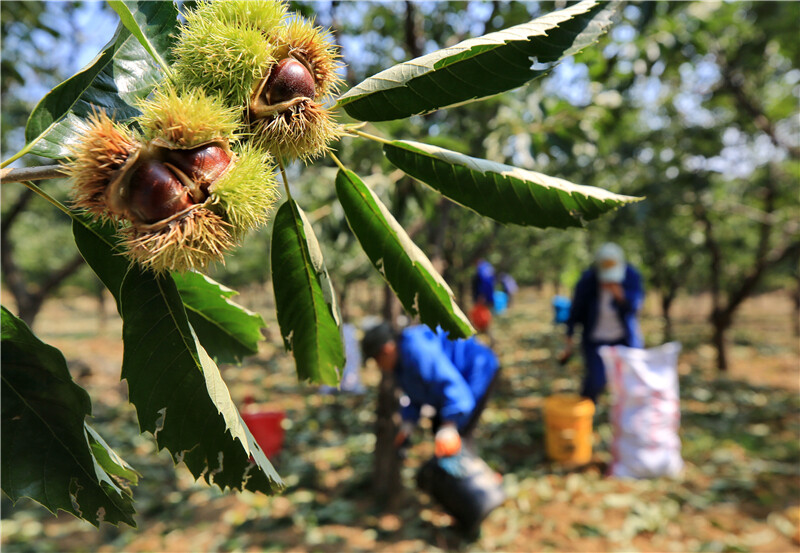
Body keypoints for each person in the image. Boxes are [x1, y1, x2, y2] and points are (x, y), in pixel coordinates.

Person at [362, 323, 500, 457]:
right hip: (458, 390)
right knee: (441, 432)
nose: (378, 365)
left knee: (457, 439)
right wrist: (408, 424)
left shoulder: (417, 349)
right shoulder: (400, 364)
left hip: (477, 373)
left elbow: (452, 386)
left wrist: (449, 426)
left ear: (387, 349)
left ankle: (473, 476)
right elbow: (415, 394)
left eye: (376, 359)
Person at [558, 242, 644, 403]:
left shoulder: (631, 277)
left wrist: (620, 296)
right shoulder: (587, 281)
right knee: (596, 380)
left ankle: (623, 415)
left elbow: (635, 308)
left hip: (623, 338)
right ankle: (586, 411)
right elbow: (576, 311)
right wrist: (569, 338)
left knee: (630, 380)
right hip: (595, 339)